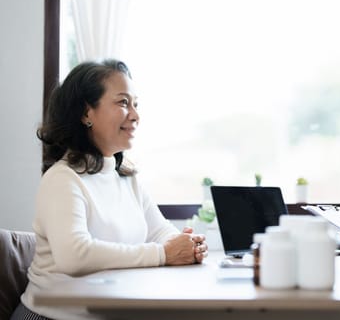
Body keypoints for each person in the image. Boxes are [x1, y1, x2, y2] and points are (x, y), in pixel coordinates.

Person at [11, 59, 208, 320]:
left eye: (135, 104)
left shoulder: (127, 177)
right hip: (52, 315)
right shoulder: (62, 179)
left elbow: (159, 230)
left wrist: (185, 245)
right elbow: (74, 256)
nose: (135, 115)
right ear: (86, 113)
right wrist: (163, 253)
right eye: (123, 102)